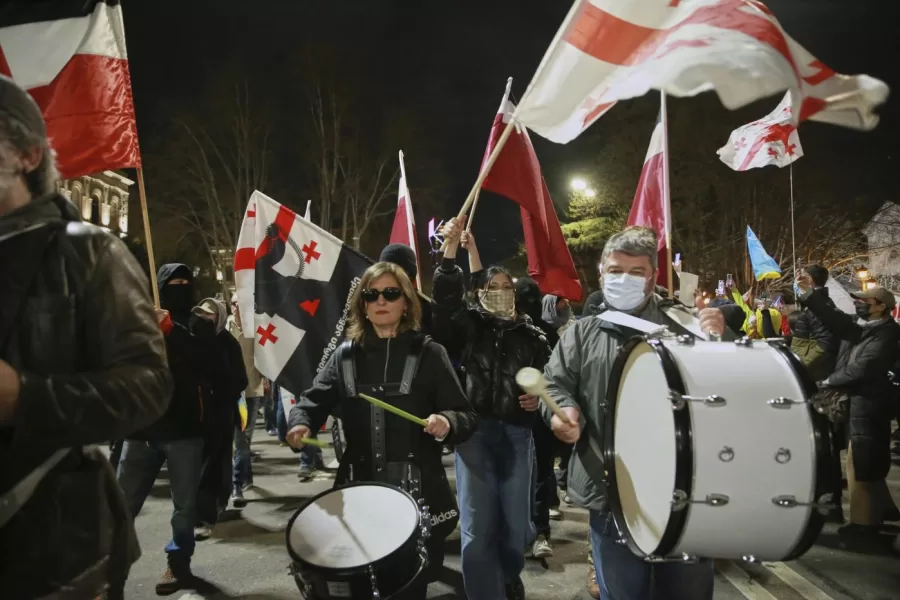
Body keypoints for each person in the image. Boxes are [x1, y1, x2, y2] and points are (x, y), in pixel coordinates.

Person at [0, 74, 172, 600]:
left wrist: (26, 397)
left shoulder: (88, 254)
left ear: (27, 156)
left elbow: (149, 386)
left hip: (54, 549)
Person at [543, 227, 727, 600]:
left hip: (683, 492)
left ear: (653, 277)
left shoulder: (686, 325)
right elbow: (554, 384)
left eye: (636, 271)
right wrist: (561, 412)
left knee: (687, 594)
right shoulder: (580, 334)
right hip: (609, 490)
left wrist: (721, 342)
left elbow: (724, 392)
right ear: (600, 273)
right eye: (615, 270)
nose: (623, 279)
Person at [287, 261, 477, 599]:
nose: (380, 301)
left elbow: (465, 415)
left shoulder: (431, 354)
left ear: (406, 301)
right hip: (358, 493)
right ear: (362, 304)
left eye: (391, 293)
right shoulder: (344, 357)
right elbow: (312, 401)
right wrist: (301, 422)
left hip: (418, 494)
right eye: (371, 295)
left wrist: (447, 421)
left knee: (409, 588)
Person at [434, 216, 552, 600]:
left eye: (507, 287)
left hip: (518, 434)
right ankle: (486, 592)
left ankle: (507, 574)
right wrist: (452, 251)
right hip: (476, 436)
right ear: (480, 293)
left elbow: (553, 383)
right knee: (477, 524)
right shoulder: (471, 328)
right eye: (492, 287)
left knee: (515, 524)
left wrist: (540, 398)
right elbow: (448, 298)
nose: (500, 292)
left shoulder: (532, 336)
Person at [116, 264, 228, 595]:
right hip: (141, 430)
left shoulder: (199, 325)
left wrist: (171, 331)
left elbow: (207, 361)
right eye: (172, 283)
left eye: (185, 283)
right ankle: (111, 575)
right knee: (120, 507)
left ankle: (177, 565)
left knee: (184, 510)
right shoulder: (140, 320)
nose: (179, 288)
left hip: (184, 432)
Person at [796, 277, 900, 537]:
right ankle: (880, 512)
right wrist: (810, 293)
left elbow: (863, 367)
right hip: (858, 401)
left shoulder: (886, 333)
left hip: (870, 402)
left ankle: (864, 526)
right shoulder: (863, 327)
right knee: (864, 460)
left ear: (880, 307)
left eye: (865, 301)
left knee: (861, 462)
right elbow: (833, 318)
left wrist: (829, 380)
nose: (859, 304)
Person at [193, 298, 247, 540]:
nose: (203, 320)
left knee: (219, 461)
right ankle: (202, 513)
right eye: (200, 315)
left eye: (209, 315)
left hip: (222, 412)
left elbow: (240, 379)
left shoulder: (228, 344)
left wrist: (221, 391)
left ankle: (213, 508)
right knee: (201, 464)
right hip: (197, 413)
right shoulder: (193, 341)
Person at [228, 298, 267, 506]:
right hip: (231, 394)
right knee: (242, 441)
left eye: (240, 304)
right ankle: (244, 480)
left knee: (242, 440)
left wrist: (266, 377)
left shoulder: (257, 330)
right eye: (234, 304)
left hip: (251, 393)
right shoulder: (224, 328)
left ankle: (238, 484)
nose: (237, 307)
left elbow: (266, 356)